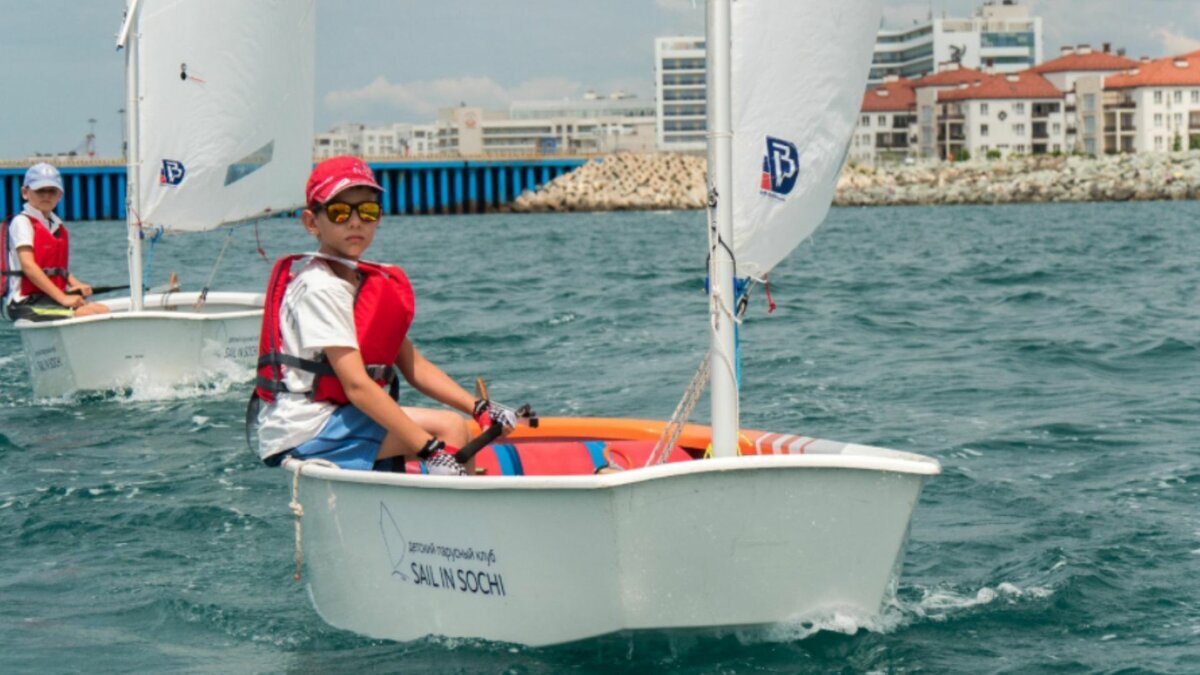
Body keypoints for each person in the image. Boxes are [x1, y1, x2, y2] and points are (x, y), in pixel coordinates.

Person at [252, 156, 521, 475]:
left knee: (454, 426)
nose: (355, 222)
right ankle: (458, 518)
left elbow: (413, 365)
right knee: (449, 430)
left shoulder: (357, 281)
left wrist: (480, 409)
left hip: (336, 416)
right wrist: (429, 448)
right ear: (312, 222)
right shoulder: (321, 287)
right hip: (305, 428)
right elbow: (357, 387)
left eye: (367, 211)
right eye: (340, 212)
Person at [1, 163, 109, 321]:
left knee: (102, 310)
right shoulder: (22, 222)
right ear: (25, 192)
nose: (46, 195)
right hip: (23, 303)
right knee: (85, 314)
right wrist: (63, 298)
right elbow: (29, 266)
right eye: (40, 190)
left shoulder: (56, 225)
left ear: (60, 195)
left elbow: (54, 268)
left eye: (52, 191)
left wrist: (75, 284)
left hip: (46, 298)